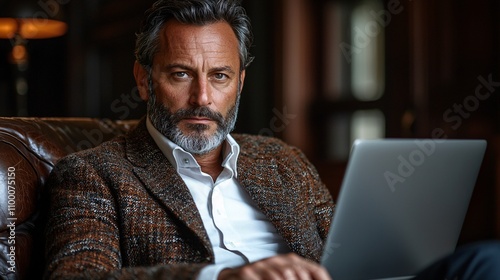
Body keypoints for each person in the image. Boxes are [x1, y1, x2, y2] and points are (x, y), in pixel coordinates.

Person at [44, 0, 500, 279]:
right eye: (181, 74)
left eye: (219, 76)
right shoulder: (93, 174)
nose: (202, 98)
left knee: (485, 262)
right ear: (144, 80)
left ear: (240, 83)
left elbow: (343, 253)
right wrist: (222, 278)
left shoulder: (283, 161)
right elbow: (78, 277)